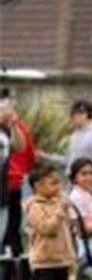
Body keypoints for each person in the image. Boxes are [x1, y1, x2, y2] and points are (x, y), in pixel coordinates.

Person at [25, 165, 78, 280]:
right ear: (38, 186)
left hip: (61, 259)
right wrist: (60, 211)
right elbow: (47, 229)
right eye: (53, 183)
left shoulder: (57, 204)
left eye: (59, 183)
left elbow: (65, 230)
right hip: (44, 260)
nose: (59, 187)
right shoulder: (34, 207)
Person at [3, 98, 38, 257]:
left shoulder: (11, 128)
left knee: (11, 226)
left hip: (11, 184)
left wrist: (14, 125)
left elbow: (21, 148)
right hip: (10, 182)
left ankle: (11, 256)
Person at [67, 159, 92, 275]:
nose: (89, 177)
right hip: (89, 249)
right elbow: (83, 232)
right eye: (84, 174)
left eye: (91, 173)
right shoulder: (76, 197)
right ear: (74, 178)